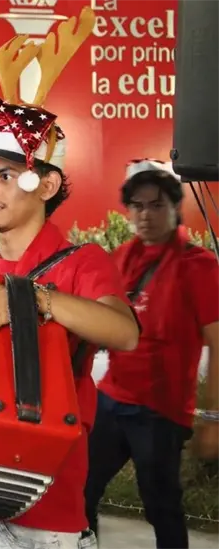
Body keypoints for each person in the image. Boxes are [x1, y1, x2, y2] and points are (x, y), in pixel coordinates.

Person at [0, 7, 140, 548]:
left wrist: (30, 299)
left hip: (43, 509)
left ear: (46, 185)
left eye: (5, 174)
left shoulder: (80, 261)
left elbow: (125, 332)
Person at [84, 160, 219, 549]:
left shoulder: (198, 267)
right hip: (112, 399)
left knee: (161, 506)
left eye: (157, 205)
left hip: (161, 410)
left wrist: (213, 419)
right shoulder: (121, 258)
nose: (146, 215)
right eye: (138, 206)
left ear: (176, 207)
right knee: (81, 490)